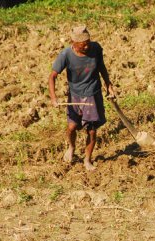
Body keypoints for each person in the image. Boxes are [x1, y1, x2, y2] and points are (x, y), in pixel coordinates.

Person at [48, 25, 115, 171]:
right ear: (74, 43)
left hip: (92, 94)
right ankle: (71, 147)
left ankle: (87, 160)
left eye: (88, 42)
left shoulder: (96, 48)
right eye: (83, 44)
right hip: (75, 95)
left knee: (91, 130)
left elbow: (101, 67)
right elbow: (52, 76)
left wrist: (108, 84)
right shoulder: (66, 54)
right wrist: (54, 98)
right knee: (72, 127)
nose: (86, 46)